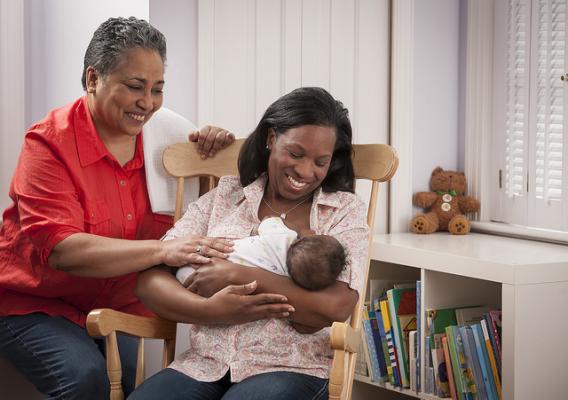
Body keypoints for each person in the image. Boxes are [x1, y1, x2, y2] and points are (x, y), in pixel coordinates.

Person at [0, 17, 292, 400]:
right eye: (135, 87)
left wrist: (214, 148)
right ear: (93, 79)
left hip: (117, 304)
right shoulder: (50, 144)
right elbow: (63, 251)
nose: (148, 103)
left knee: (132, 391)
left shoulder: (168, 143)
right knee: (88, 378)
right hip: (34, 302)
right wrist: (162, 250)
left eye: (157, 89)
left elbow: (225, 204)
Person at [129, 87, 370, 400]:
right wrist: (210, 310)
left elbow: (335, 306)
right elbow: (150, 280)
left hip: (292, 368)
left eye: (320, 162)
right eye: (295, 154)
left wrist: (235, 275)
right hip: (204, 364)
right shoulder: (226, 197)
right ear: (271, 138)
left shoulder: (341, 211)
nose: (305, 171)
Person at [176, 216, 348, 291]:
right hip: (214, 279)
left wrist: (296, 228)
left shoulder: (284, 235)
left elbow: (268, 220)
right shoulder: (284, 276)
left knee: (183, 269)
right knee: (187, 277)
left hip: (214, 252)